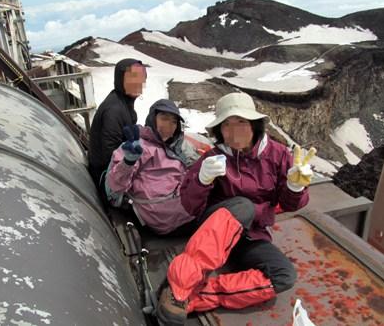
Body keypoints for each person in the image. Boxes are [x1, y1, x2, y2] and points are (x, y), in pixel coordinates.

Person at [156, 91, 316, 325]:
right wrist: (201, 180)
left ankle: (192, 298)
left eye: (240, 122)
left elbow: (291, 205)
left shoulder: (278, 155)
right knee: (244, 206)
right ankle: (178, 285)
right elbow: (190, 206)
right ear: (219, 130)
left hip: (251, 235)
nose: (232, 131)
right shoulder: (213, 157)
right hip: (214, 232)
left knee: (284, 275)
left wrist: (294, 187)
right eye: (226, 125)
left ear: (254, 125)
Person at [105, 99, 195, 235]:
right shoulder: (139, 146)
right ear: (153, 119)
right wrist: (128, 162)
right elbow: (114, 188)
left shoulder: (176, 146)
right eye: (164, 118)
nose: (169, 125)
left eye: (174, 122)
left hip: (181, 207)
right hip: (163, 217)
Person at [88, 58, 147, 189]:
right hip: (105, 177)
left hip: (113, 169)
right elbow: (109, 154)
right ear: (121, 80)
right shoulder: (114, 110)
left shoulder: (122, 101)